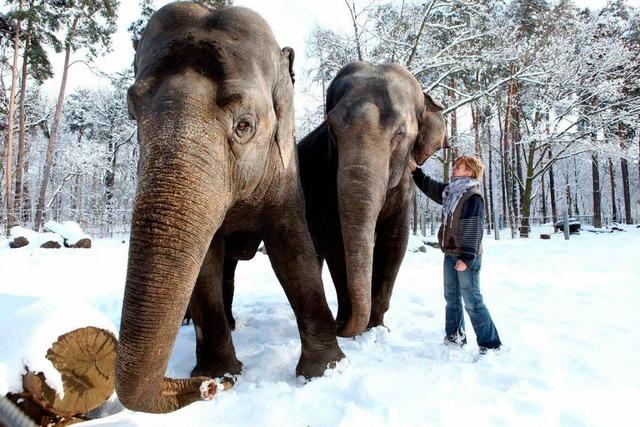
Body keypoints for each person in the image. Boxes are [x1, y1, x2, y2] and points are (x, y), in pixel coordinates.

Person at [408, 155, 502, 354]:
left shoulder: (472, 195)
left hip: (466, 256)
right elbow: (430, 186)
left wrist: (466, 259)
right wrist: (415, 170)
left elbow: (474, 228)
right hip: (451, 253)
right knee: (451, 297)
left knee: (472, 300)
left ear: (470, 172)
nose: (454, 168)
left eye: (459, 166)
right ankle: (455, 335)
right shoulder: (451, 192)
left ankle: (491, 344)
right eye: (455, 165)